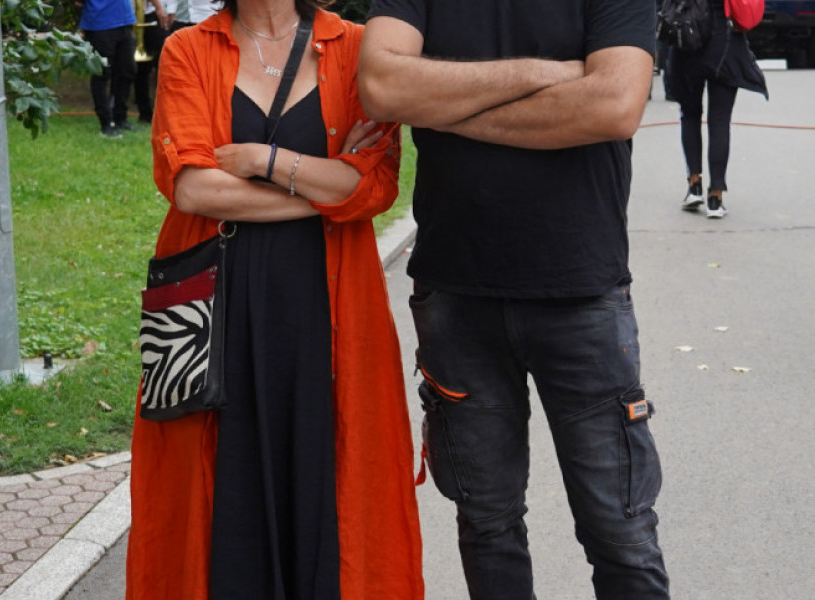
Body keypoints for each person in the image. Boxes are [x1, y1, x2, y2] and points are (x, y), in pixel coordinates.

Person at [359, 2, 669, 600]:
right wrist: (540, 74)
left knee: (621, 533)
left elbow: (612, 105)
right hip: (456, 293)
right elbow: (382, 86)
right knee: (487, 525)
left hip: (580, 290)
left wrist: (445, 108)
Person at [125, 1, 424, 599]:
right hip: (213, 310)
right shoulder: (188, 49)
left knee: (329, 474)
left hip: (328, 306)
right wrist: (325, 188)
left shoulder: (356, 49)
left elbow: (374, 186)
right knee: (216, 488)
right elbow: (193, 188)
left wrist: (264, 160)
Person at [667, 0, 768, 218]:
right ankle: (715, 197)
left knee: (689, 114)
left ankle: (694, 186)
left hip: (690, 35)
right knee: (720, 121)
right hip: (725, 42)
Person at [78, 0, 137, 137]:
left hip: (124, 20)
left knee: (127, 71)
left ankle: (120, 118)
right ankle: (106, 123)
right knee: (101, 74)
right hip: (100, 23)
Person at [134, 0, 171, 124]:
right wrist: (159, 7)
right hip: (145, 16)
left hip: (154, 14)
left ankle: (161, 111)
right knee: (143, 68)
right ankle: (146, 113)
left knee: (163, 67)